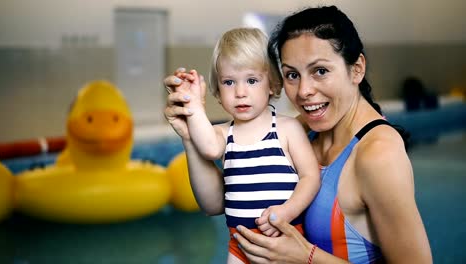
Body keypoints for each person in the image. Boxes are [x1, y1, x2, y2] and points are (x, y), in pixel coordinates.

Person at [163, 6, 432, 264]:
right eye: (292, 74)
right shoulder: (303, 128)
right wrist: (190, 134)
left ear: (357, 69)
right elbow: (216, 204)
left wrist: (307, 257)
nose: (303, 91)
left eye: (320, 71)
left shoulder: (378, 155)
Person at [170, 27, 321, 264]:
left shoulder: (287, 129)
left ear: (271, 83)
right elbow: (209, 149)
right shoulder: (222, 133)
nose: (240, 92)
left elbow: (310, 177)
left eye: (251, 80)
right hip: (240, 247)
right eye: (229, 82)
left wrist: (287, 211)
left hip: (286, 240)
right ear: (218, 91)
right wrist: (194, 106)